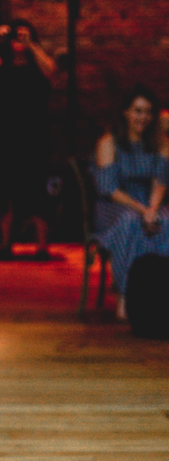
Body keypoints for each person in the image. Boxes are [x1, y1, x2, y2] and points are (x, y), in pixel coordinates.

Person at [0, 20, 57, 259]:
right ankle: (6, 244)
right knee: (5, 189)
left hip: (35, 134)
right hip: (6, 133)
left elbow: (50, 70)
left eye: (24, 36)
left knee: (38, 188)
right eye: (16, 37)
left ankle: (42, 246)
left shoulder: (37, 65)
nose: (19, 41)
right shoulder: (1, 65)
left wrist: (32, 46)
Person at [91, 86, 169, 320]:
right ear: (125, 112)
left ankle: (158, 296)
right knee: (130, 222)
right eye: (137, 111)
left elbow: (160, 181)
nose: (142, 117)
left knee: (165, 221)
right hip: (115, 205)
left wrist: (153, 209)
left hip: (149, 201)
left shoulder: (161, 143)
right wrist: (142, 210)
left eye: (147, 112)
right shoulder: (109, 142)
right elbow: (109, 188)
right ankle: (125, 297)